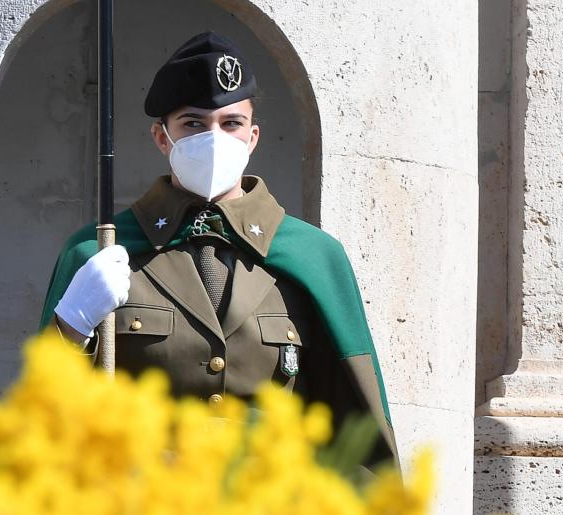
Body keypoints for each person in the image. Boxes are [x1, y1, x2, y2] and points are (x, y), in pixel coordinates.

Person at [39, 31, 397, 465]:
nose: (214, 138)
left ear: (252, 137)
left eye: (231, 124)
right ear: (161, 137)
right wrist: (71, 330)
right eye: (192, 124)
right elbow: (41, 421)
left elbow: (358, 439)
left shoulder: (313, 258)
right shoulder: (100, 251)